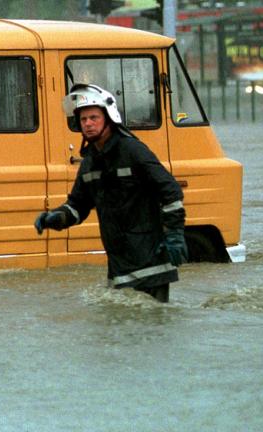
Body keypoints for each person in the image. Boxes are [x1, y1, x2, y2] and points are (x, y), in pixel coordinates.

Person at [35, 84, 187, 302]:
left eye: (94, 117)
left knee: (149, 328)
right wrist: (55, 218)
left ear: (109, 117)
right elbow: (77, 207)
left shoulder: (133, 150)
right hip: (118, 266)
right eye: (83, 119)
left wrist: (174, 235)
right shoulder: (89, 164)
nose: (87, 123)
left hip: (151, 264)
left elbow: (170, 191)